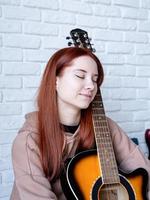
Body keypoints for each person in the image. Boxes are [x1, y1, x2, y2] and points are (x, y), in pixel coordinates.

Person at [10, 47, 150, 200]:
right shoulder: (28, 140)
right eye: (80, 75)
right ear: (55, 80)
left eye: (95, 79)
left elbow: (143, 171)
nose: (91, 86)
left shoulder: (107, 126)